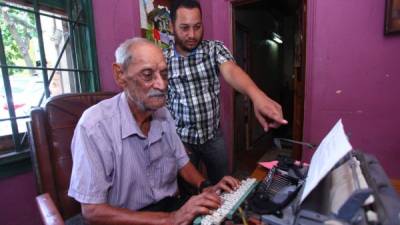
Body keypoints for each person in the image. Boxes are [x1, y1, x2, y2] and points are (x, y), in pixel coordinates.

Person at [68, 37, 240, 225]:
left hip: (168, 206)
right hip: (125, 219)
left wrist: (206, 186)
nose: (162, 85)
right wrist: (170, 219)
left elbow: (182, 163)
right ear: (120, 75)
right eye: (148, 75)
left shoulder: (163, 115)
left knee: (227, 218)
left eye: (164, 74)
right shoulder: (95, 126)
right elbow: (92, 211)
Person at [164, 0, 288, 184]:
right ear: (171, 26)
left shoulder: (214, 48)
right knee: (189, 191)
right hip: (183, 141)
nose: (192, 34)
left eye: (197, 27)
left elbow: (231, 70)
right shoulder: (163, 60)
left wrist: (257, 96)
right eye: (184, 28)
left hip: (213, 137)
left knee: (224, 184)